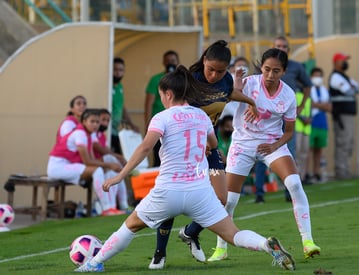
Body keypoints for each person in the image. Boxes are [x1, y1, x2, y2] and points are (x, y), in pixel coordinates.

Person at [74, 65, 295, 272]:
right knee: (233, 234)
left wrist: (120, 176)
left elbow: (145, 147)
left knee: (129, 227)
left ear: (168, 94)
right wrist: (203, 149)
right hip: (199, 192)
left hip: (168, 191)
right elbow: (214, 145)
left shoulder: (161, 117)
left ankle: (93, 263)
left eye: (161, 94)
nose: (161, 98)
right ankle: (266, 245)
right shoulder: (201, 116)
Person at [150, 40, 258, 269]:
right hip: (184, 149)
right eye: (211, 69)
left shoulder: (226, 80)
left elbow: (229, 94)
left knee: (221, 198)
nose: (215, 75)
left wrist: (250, 101)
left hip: (211, 146)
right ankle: (159, 253)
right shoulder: (190, 80)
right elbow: (175, 112)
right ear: (204, 61)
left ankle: (190, 232)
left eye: (220, 71)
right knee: (172, 198)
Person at [209, 48, 321, 262]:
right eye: (267, 69)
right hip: (242, 144)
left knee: (295, 184)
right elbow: (229, 96)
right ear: (261, 67)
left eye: (276, 71)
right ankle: (220, 248)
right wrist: (238, 85)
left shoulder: (288, 95)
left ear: (284, 71)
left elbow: (289, 131)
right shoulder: (248, 82)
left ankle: (308, 242)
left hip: (272, 144)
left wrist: (274, 146)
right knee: (229, 200)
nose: (270, 75)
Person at [47, 109, 125, 216]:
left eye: (97, 122)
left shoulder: (87, 135)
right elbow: (88, 162)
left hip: (69, 166)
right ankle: (106, 209)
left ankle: (112, 207)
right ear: (84, 121)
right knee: (98, 170)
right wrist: (109, 165)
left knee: (109, 172)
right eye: (92, 121)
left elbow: (92, 160)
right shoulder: (80, 133)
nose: (95, 125)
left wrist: (109, 167)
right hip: (58, 167)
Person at [273, 36, 312, 201]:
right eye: (278, 46)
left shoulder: (295, 66)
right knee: (259, 153)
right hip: (269, 117)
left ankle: (289, 192)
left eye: (284, 46)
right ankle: (259, 192)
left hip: (287, 117)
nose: (281, 49)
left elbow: (308, 84)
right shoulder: (267, 66)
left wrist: (302, 106)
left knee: (290, 152)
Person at [144, 50, 180, 167]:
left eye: (173, 61)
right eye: (168, 61)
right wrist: (148, 125)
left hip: (178, 125)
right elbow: (148, 103)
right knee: (159, 158)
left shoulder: (182, 80)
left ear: (178, 62)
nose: (170, 63)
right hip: (160, 126)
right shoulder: (156, 79)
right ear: (163, 62)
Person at [93, 108, 131, 212]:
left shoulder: (102, 135)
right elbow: (103, 151)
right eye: (102, 120)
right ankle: (110, 206)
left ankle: (117, 206)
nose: (105, 123)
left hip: (102, 166)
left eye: (107, 121)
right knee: (113, 161)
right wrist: (120, 158)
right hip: (94, 165)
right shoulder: (91, 134)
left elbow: (106, 150)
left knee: (114, 174)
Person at [328, 52, 359, 180]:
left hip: (348, 114)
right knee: (343, 143)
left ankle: (345, 170)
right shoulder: (335, 77)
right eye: (343, 60)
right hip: (341, 115)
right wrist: (352, 88)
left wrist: (352, 88)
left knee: (349, 143)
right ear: (336, 63)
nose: (345, 62)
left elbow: (358, 88)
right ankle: (341, 172)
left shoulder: (345, 77)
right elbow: (350, 90)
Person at [305, 67, 331, 183]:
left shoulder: (325, 90)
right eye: (315, 76)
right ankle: (306, 173)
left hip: (322, 123)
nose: (318, 78)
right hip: (312, 123)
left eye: (320, 76)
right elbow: (310, 104)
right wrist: (322, 106)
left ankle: (316, 172)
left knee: (318, 150)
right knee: (308, 150)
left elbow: (329, 107)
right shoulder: (309, 90)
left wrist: (317, 105)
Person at [112, 57, 140, 155]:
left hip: (117, 130)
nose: (118, 73)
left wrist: (132, 124)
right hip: (109, 130)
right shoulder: (107, 86)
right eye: (115, 69)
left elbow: (122, 107)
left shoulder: (120, 86)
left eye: (120, 70)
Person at [295, 90, 312, 183]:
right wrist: (303, 119)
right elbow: (294, 109)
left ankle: (302, 176)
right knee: (297, 152)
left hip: (306, 128)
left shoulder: (308, 96)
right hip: (298, 127)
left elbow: (310, 110)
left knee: (304, 153)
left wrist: (310, 119)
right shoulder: (296, 94)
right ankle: (296, 175)